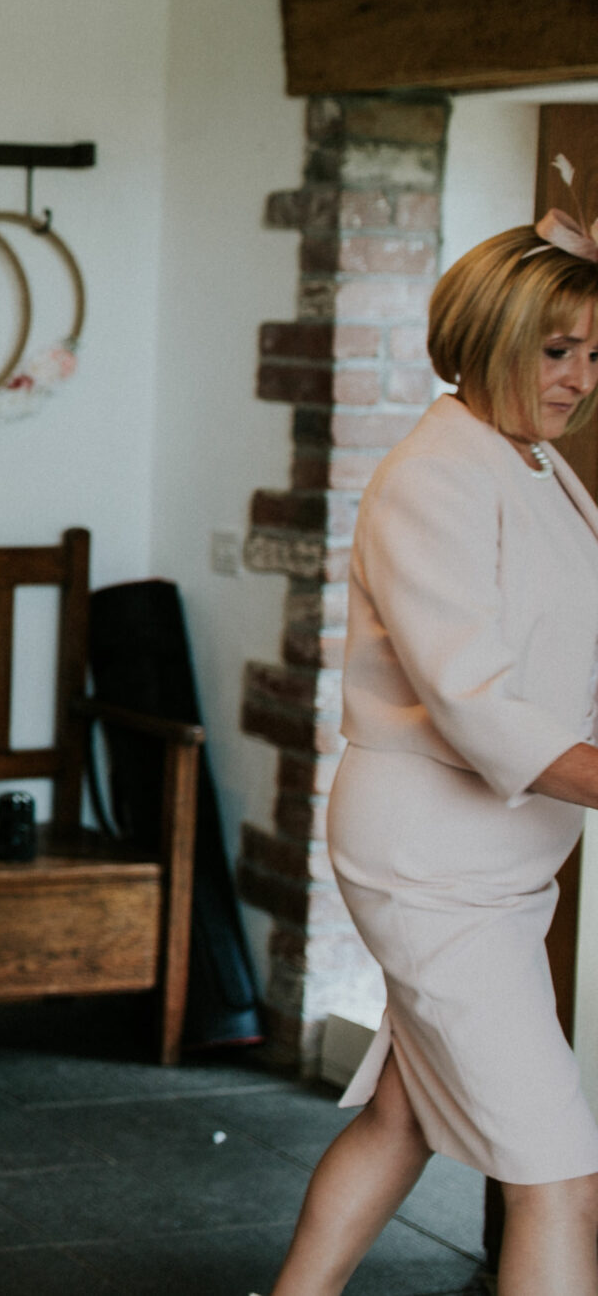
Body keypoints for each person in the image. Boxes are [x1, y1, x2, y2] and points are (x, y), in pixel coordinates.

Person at [269, 215, 598, 1296]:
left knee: (402, 1116)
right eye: (557, 352)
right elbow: (475, 704)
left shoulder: (536, 465)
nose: (579, 379)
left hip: (496, 865)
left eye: (594, 353)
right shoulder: (433, 475)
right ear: (493, 337)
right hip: (432, 863)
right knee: (559, 1175)